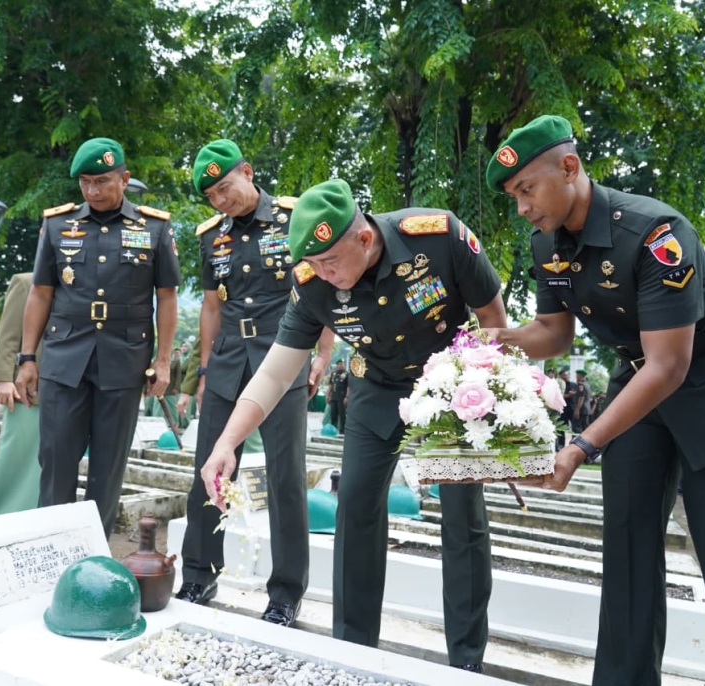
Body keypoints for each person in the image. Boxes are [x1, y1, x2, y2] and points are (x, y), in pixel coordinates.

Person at [484, 114, 705, 686]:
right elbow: (554, 331)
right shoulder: (548, 243)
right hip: (640, 385)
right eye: (514, 197)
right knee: (627, 548)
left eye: (527, 191)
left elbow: (671, 363)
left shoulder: (654, 232)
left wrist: (584, 444)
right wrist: (500, 342)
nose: (522, 208)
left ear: (569, 168)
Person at [199, 179, 506, 670]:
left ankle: (466, 662)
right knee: (357, 508)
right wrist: (227, 443)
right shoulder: (311, 281)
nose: (324, 274)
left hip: (450, 386)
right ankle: (352, 651)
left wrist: (486, 398)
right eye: (314, 265)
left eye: (331, 262)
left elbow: (493, 316)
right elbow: (277, 370)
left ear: (364, 238)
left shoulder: (437, 236)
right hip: (376, 390)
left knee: (461, 517)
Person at [175, 139, 333, 627]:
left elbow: (325, 285)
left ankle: (285, 593)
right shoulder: (211, 237)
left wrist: (321, 354)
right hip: (226, 363)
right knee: (210, 471)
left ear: (247, 170)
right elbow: (211, 307)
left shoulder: (294, 218)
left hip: (281, 360)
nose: (222, 201)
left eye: (226, 188)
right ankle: (199, 573)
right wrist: (203, 371)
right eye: (213, 197)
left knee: (285, 479)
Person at [15, 137, 179, 538]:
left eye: (103, 181)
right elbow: (41, 293)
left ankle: (93, 553)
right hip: (64, 357)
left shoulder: (153, 228)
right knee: (55, 461)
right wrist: (26, 358)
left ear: (124, 179)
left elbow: (167, 296)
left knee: (109, 466)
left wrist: (162, 361)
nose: (93, 191)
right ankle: (49, 548)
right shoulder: (58, 224)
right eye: (85, 182)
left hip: (124, 360)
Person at [0, 273, 42, 517]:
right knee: (15, 456)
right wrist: (3, 378)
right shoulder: (26, 281)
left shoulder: (77, 280)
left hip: (65, 389)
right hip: (27, 388)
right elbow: (8, 335)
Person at [326, 359, 349, 434]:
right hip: (334, 397)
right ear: (337, 365)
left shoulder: (347, 374)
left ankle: (342, 430)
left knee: (342, 414)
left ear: (344, 365)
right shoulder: (334, 374)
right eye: (339, 364)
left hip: (342, 397)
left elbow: (349, 387)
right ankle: (333, 429)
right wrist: (328, 395)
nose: (340, 365)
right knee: (333, 414)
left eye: (342, 364)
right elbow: (330, 385)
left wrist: (347, 397)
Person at [572, 369, 592, 434]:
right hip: (587, 409)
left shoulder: (581, 385)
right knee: (585, 427)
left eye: (577, 375)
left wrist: (577, 410)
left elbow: (581, 398)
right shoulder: (587, 384)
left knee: (576, 428)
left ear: (580, 376)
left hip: (581, 409)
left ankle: (577, 443)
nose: (576, 377)